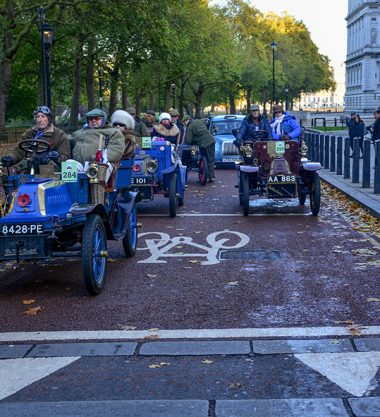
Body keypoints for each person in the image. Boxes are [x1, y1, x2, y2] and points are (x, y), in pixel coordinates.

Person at [1, 105, 70, 168]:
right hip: (29, 167)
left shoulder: (59, 135)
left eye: (43, 116)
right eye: (37, 117)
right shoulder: (30, 133)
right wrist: (11, 158)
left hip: (50, 171)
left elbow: (66, 157)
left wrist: (54, 156)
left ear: (49, 119)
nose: (39, 120)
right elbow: (19, 150)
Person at [71, 109, 125, 181]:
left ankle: (98, 191)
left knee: (100, 169)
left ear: (103, 120)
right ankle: (73, 191)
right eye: (90, 119)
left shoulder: (112, 132)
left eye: (97, 118)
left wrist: (96, 159)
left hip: (101, 164)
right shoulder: (78, 133)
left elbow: (116, 150)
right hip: (80, 164)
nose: (93, 120)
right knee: (69, 165)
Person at [182, 115, 216, 182]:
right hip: (211, 140)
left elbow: (188, 141)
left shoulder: (190, 127)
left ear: (187, 120)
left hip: (204, 143)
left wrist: (185, 141)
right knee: (211, 159)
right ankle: (211, 176)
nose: (184, 124)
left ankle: (209, 176)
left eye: (184, 122)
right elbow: (206, 123)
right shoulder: (198, 121)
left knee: (207, 159)